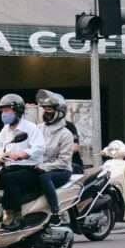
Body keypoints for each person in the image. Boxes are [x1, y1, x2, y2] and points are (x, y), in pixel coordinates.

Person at [0, 94, 45, 231]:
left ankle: (15, 215)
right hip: (10, 167)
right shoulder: (6, 129)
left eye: (7, 110)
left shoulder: (30, 128)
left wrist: (23, 154)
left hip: (30, 169)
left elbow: (39, 148)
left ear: (18, 111)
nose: (4, 114)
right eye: (2, 111)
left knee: (11, 179)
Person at [36, 91, 75, 224]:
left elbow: (64, 161)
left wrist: (44, 167)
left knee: (44, 177)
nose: (46, 112)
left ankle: (55, 212)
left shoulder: (66, 134)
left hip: (61, 170)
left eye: (50, 109)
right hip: (39, 167)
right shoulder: (38, 129)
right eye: (45, 109)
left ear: (59, 112)